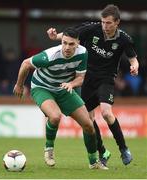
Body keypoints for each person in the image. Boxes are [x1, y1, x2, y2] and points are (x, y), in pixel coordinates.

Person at [47, 4, 139, 166]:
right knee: (87, 120)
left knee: (106, 113)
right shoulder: (92, 29)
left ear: (117, 22)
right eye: (103, 22)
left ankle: (124, 149)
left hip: (106, 79)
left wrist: (134, 66)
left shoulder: (124, 39)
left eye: (109, 23)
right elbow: (71, 35)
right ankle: (103, 151)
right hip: (86, 79)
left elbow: (133, 58)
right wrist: (55, 36)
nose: (105, 26)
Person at [13, 27, 108, 170]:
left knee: (89, 125)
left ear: (78, 43)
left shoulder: (82, 53)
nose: (67, 47)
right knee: (55, 116)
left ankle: (94, 162)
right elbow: (26, 64)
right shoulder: (50, 55)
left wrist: (71, 84)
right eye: (64, 43)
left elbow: (80, 78)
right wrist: (19, 85)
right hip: (42, 87)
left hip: (63, 88)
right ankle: (49, 149)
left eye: (71, 44)